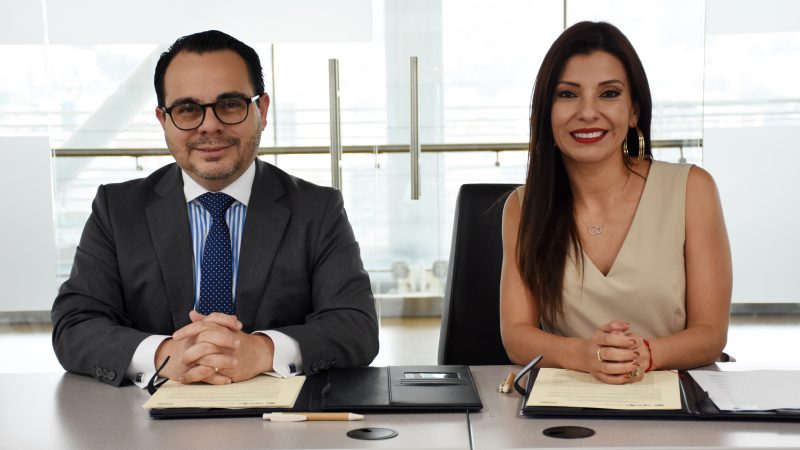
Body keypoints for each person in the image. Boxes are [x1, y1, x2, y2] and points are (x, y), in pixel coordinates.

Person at [51, 30, 379, 387]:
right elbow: (75, 325)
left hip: (280, 414)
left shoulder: (317, 209)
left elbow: (356, 326)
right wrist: (163, 355)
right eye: (187, 109)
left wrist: (263, 350)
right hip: (143, 415)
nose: (210, 125)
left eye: (230, 104)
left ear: (262, 110)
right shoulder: (117, 210)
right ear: (163, 120)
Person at [499, 21, 732, 384]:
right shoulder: (522, 207)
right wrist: (585, 355)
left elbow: (710, 333)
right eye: (568, 94)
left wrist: (644, 355)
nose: (587, 112)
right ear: (546, 112)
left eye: (608, 94)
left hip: (674, 394)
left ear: (634, 111)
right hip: (569, 397)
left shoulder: (692, 189)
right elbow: (516, 335)